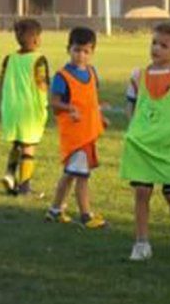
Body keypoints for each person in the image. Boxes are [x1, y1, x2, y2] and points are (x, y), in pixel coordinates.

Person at [119, 21, 170, 261]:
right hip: (142, 145)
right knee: (142, 193)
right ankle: (142, 243)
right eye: (154, 43)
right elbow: (130, 106)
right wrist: (134, 127)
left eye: (163, 45)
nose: (156, 48)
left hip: (168, 146)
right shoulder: (138, 76)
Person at [44, 27, 107, 229]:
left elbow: (92, 101)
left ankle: (54, 210)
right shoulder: (61, 77)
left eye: (86, 51)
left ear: (93, 52)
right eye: (77, 50)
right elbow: (54, 103)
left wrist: (100, 117)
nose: (81, 55)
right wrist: (69, 107)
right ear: (68, 49)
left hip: (88, 133)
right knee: (81, 176)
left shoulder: (92, 72)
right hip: (75, 137)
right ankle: (86, 215)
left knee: (70, 174)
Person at [0, 18, 49, 197]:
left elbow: (2, 82)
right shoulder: (39, 59)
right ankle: (25, 186)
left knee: (16, 144)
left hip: (11, 109)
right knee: (29, 147)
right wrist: (44, 106)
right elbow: (42, 85)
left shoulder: (9, 59)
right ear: (35, 38)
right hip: (29, 111)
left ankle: (10, 176)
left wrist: (3, 105)